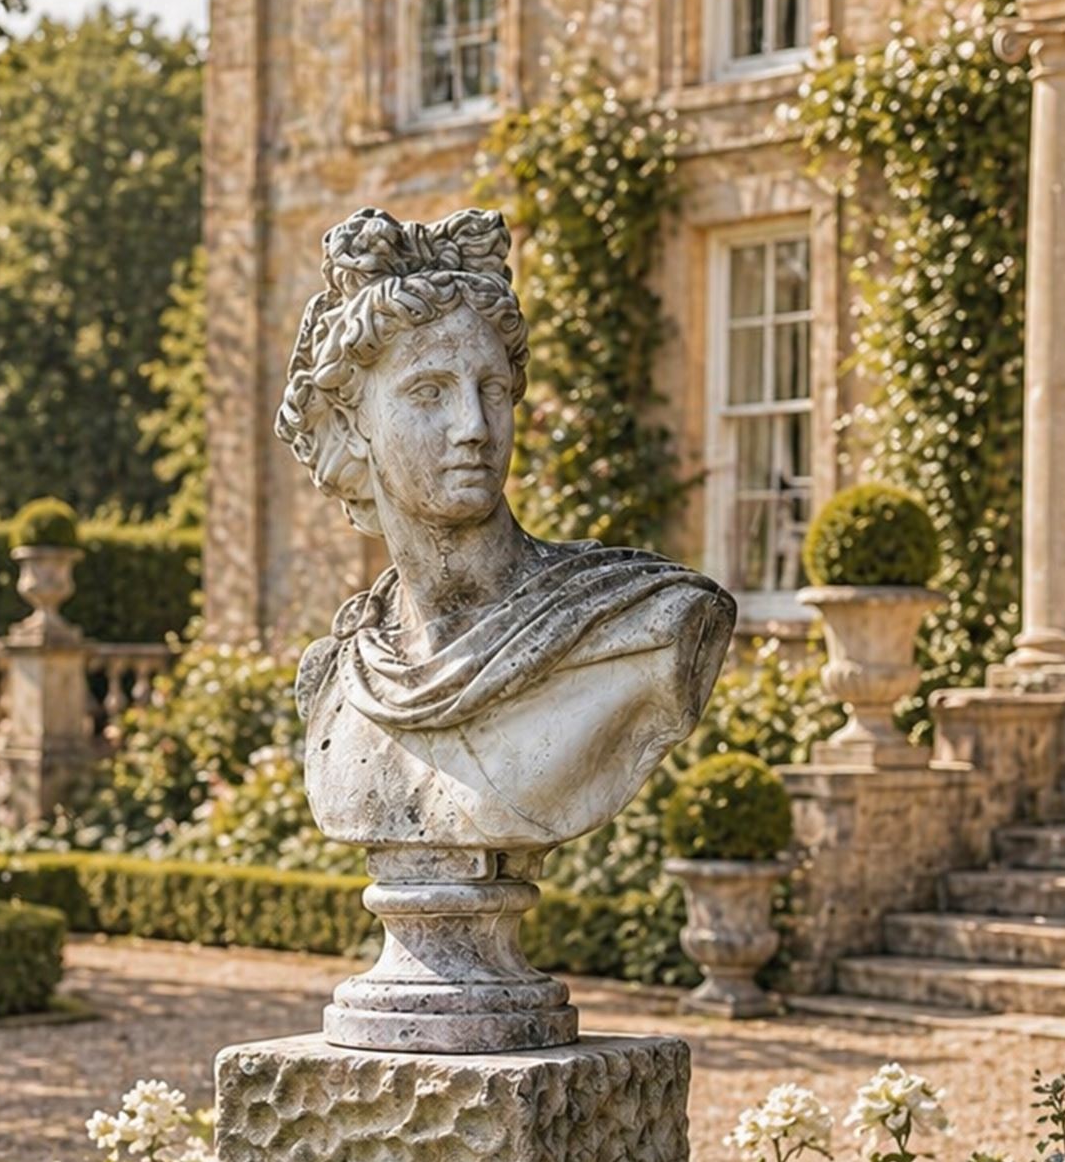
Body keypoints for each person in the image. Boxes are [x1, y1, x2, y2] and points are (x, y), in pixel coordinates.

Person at [276, 205, 736, 856]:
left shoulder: (649, 624)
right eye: (429, 392)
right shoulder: (337, 677)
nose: (473, 425)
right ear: (354, 424)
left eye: (491, 389)